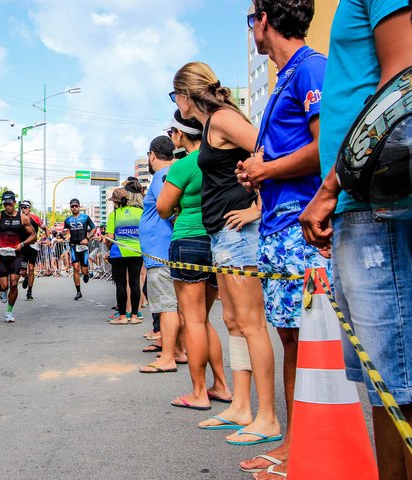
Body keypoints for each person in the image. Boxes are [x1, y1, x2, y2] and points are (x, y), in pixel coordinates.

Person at [299, 2, 412, 478]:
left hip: (376, 202)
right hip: (360, 204)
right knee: (385, 385)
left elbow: (404, 82)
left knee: (400, 383)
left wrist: (330, 189)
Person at [235, 1, 327, 475]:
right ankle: (296, 442)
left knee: (307, 341)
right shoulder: (285, 77)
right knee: (292, 338)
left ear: (265, 20)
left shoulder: (311, 68)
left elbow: (327, 148)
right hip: (277, 226)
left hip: (300, 226)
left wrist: (266, 169)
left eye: (252, 17)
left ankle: (305, 448)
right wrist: (257, 170)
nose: (252, 27)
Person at [172, 62, 280, 444]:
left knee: (251, 324)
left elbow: (269, 150)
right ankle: (241, 407)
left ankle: (267, 418)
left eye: (174, 95)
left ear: (185, 95)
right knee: (233, 322)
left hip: (240, 234)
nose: (175, 103)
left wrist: (258, 208)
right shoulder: (209, 126)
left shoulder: (221, 118)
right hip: (221, 234)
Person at [157, 110, 233, 415]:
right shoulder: (219, 159)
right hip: (217, 240)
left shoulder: (186, 164)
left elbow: (163, 208)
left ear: (180, 134)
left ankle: (199, 392)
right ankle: (222, 385)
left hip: (189, 239)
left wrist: (177, 205)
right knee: (205, 319)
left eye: (172, 132)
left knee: (193, 320)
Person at [138, 135, 186, 373]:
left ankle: (169, 356)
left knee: (167, 306)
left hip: (160, 253)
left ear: (152, 155)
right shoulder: (171, 174)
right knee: (174, 304)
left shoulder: (160, 177)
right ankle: (177, 350)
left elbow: (168, 207)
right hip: (164, 251)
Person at [0, 191, 36, 323]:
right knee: (4, 285)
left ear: (14, 203)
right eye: (5, 204)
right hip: (1, 254)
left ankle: (9, 312)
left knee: (14, 283)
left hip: (16, 254)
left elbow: (33, 235)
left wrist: (22, 244)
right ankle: (3, 291)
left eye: (10, 204)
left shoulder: (23, 218)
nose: (7, 207)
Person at [105, 183, 144, 325]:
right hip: (136, 251)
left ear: (116, 202)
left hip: (118, 253)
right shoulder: (140, 212)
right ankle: (134, 316)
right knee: (135, 283)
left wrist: (108, 248)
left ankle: (122, 317)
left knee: (121, 284)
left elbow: (109, 238)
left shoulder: (114, 215)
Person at [63, 198, 96, 301]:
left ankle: (86, 274)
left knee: (84, 269)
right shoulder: (67, 220)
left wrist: (88, 238)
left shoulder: (85, 217)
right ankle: (78, 292)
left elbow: (94, 228)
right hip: (73, 246)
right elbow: (65, 231)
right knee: (76, 268)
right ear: (70, 207)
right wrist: (63, 233)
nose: (74, 208)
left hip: (83, 246)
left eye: (76, 206)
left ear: (79, 206)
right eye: (72, 206)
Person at [18, 200, 47, 301]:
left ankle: (29, 291)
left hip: (33, 246)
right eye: (22, 207)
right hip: (23, 247)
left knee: (31, 268)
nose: (23, 209)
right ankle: (26, 277)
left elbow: (46, 228)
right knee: (22, 271)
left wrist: (47, 239)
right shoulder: (19, 219)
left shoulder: (35, 218)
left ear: (29, 208)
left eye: (25, 207)